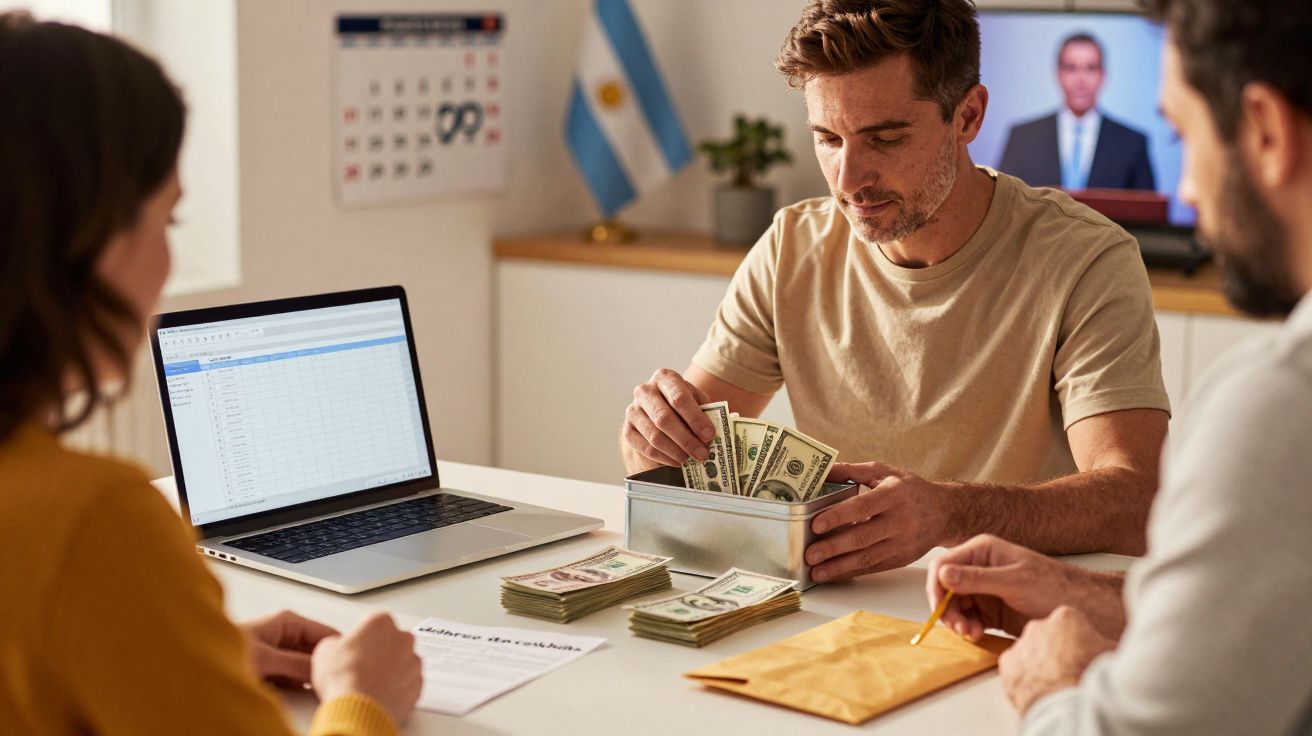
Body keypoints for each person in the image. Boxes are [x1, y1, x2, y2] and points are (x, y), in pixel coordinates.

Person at [620, 0, 1170, 583]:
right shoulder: (791, 249)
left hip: (1005, 610)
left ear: (968, 117)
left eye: (883, 139)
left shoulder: (1085, 259)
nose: (849, 179)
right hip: (836, 611)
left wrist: (950, 513)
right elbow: (674, 469)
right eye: (828, 139)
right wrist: (652, 440)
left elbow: (1137, 502)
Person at [0, 14, 421, 735]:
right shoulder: (94, 521)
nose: (167, 264)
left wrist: (185, 650)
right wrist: (363, 699)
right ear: (85, 236)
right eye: (170, 222)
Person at [925, 1, 1312, 732]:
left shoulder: (1281, 404)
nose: (1189, 192)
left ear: (1263, 129)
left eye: (1185, 136)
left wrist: (1054, 685)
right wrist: (1075, 588)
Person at [999, 33, 1157, 191]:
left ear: (1103, 75)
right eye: (1071, 68)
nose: (1080, 80)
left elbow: (1146, 211)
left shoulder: (1132, 143)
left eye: (1091, 68)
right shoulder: (1023, 138)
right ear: (1058, 75)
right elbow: (1002, 204)